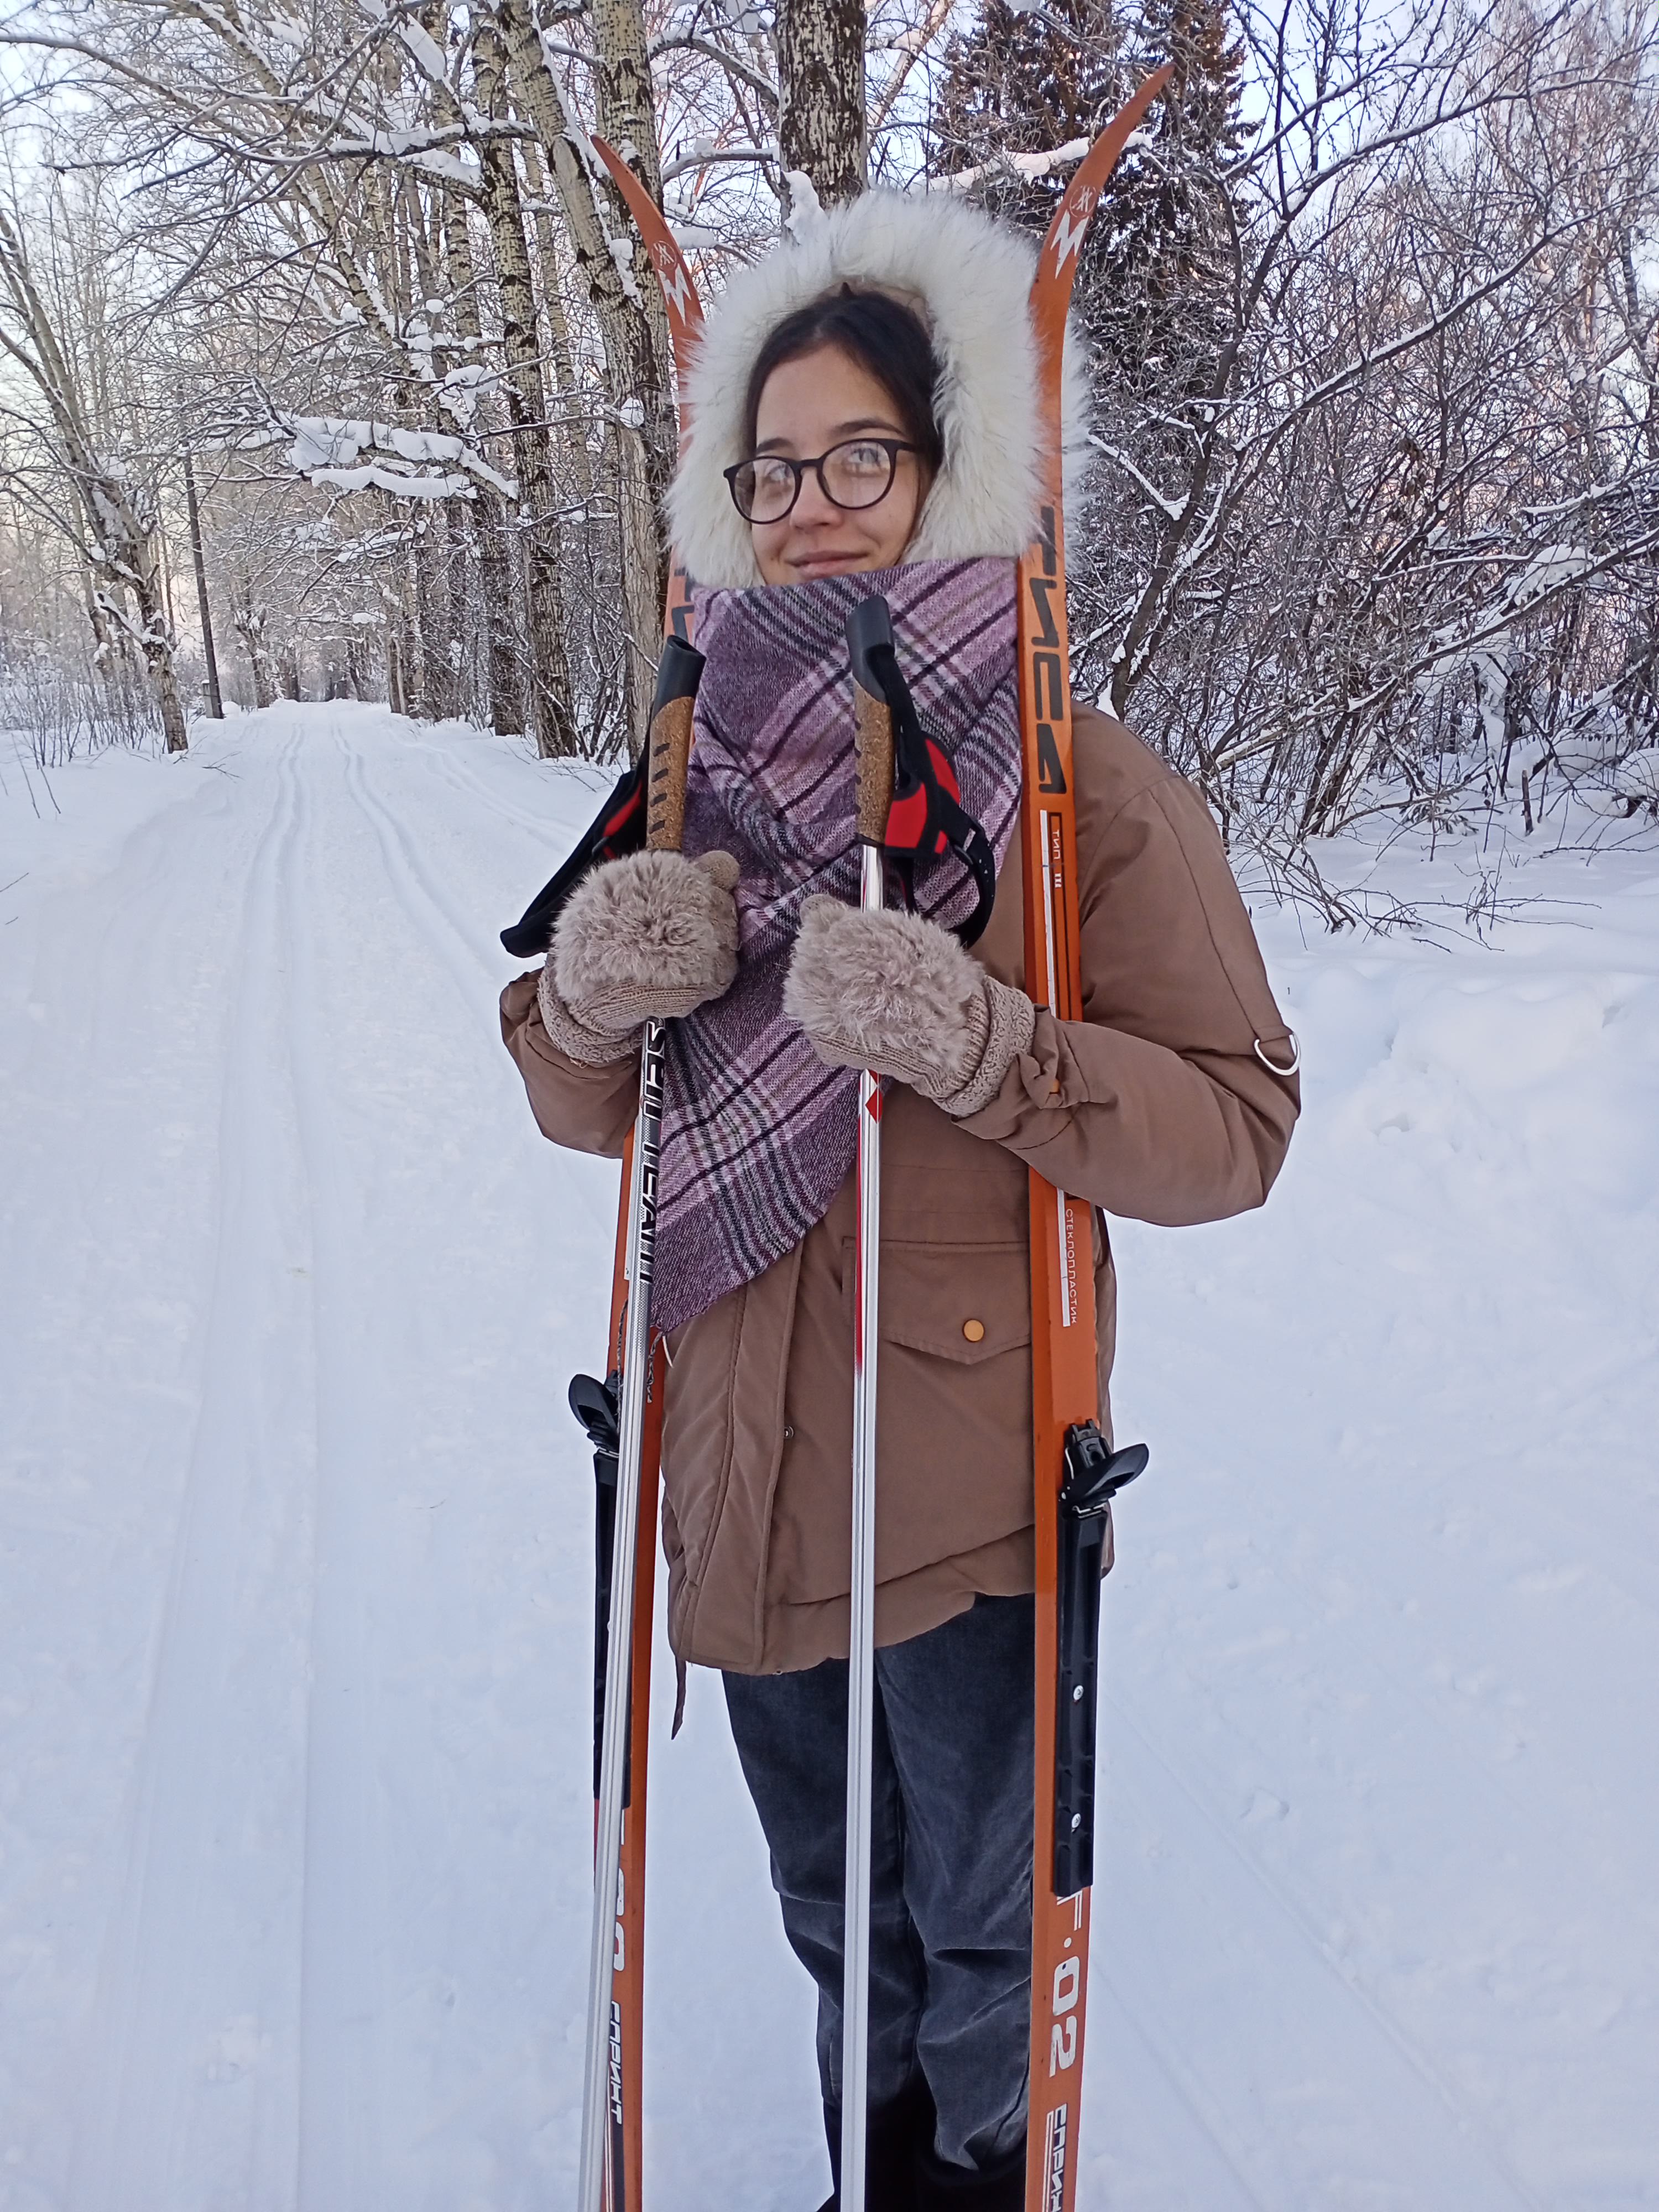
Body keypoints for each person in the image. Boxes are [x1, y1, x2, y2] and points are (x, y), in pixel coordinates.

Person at [500, 189, 1300, 2212]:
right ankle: (872, 2173)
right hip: (738, 1473)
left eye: (861, 456)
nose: (812, 507)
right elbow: (586, 1101)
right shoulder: (686, 763)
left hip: (967, 1505)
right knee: (831, 1914)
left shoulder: (1075, 781)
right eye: (771, 469)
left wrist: (979, 1042)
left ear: (957, 468)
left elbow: (1236, 1127)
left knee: (978, 1946)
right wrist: (586, 995)